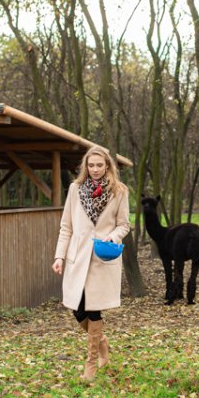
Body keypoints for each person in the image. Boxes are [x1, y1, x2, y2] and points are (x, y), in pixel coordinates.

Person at [52, 145, 130, 381]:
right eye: (91, 165)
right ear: (85, 167)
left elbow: (124, 225)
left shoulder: (119, 191)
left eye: (100, 165)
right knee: (78, 309)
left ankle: (91, 363)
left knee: (93, 308)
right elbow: (66, 226)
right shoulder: (75, 190)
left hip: (101, 258)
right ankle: (102, 343)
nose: (95, 169)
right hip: (77, 257)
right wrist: (59, 256)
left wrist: (113, 237)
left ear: (107, 166)